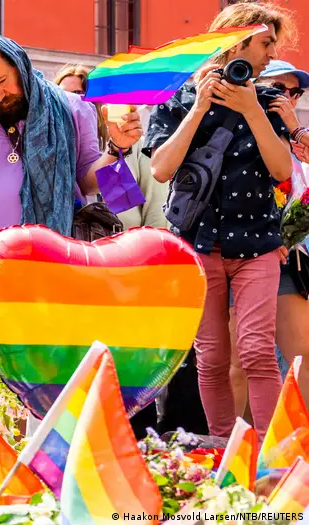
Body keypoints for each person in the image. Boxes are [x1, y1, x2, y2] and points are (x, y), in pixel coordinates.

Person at [0, 36, 143, 344]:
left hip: (55, 268)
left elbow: (88, 182)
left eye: (1, 82)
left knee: (51, 368)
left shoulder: (72, 107)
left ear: (20, 66)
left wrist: (116, 148)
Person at [145, 2, 295, 438]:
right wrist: (197, 109)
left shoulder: (268, 102)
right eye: (266, 43)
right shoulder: (177, 100)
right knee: (210, 357)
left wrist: (252, 110)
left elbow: (281, 170)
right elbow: (161, 169)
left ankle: (269, 456)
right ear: (236, 41)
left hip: (258, 245)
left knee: (258, 352)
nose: (271, 55)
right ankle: (223, 446)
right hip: (198, 244)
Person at [53, 65, 169, 229]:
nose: (73, 101)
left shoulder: (135, 145)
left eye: (80, 94)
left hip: (126, 240)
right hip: (74, 239)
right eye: (62, 94)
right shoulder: (54, 148)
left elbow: (156, 205)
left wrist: (155, 240)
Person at [260, 59, 309, 406]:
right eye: (278, 88)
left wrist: (296, 130)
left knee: (299, 358)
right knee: (245, 362)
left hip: (291, 266)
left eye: (295, 92)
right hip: (240, 258)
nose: (287, 98)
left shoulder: (299, 145)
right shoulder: (233, 132)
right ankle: (242, 435)